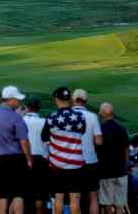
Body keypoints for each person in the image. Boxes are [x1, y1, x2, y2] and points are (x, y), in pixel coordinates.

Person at [0, 85, 32, 214]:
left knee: (2, 194)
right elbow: (23, 140)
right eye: (17, 99)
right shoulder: (16, 117)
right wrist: (28, 159)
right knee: (18, 194)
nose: (18, 102)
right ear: (10, 99)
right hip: (16, 159)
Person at [41, 86, 86, 214]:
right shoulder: (80, 117)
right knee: (75, 199)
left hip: (57, 165)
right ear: (69, 99)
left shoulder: (51, 117)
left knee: (59, 197)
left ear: (56, 99)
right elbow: (82, 133)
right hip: (76, 164)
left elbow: (44, 139)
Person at [72, 89, 103, 214]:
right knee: (93, 196)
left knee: (75, 196)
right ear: (85, 101)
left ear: (73, 100)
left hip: (72, 161)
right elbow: (99, 141)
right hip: (90, 160)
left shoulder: (67, 116)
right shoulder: (92, 116)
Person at [97, 102, 129, 214]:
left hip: (106, 173)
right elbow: (126, 151)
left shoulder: (100, 130)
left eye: (100, 111)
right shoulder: (122, 130)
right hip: (121, 172)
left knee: (107, 205)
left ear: (104, 114)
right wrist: (125, 168)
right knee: (120, 205)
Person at [23, 96, 49, 214]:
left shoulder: (20, 121)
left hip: (23, 158)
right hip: (41, 159)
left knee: (23, 193)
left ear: (27, 107)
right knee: (39, 193)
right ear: (39, 108)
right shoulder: (44, 122)